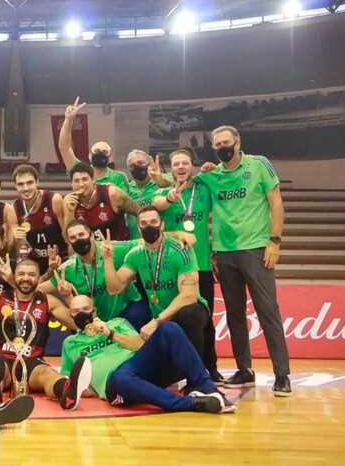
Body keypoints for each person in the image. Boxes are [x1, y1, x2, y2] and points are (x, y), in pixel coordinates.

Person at [193, 125, 291, 396]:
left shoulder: (259, 164)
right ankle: (245, 370)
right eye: (217, 145)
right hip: (224, 254)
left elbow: (276, 202)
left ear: (237, 142)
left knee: (267, 311)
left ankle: (282, 374)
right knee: (235, 315)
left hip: (256, 249)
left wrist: (275, 241)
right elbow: (181, 182)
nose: (222, 147)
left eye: (226, 142)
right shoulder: (212, 175)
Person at [61, 296, 236, 414]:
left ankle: (210, 390)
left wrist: (110, 333)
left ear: (95, 311)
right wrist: (84, 388)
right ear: (70, 315)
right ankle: (193, 404)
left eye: (86, 308)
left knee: (169, 328)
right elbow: (68, 378)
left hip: (139, 364)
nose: (82, 314)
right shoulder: (69, 343)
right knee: (122, 378)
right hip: (114, 382)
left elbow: (139, 344)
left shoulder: (116, 323)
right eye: (76, 311)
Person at [0, 259, 89, 410]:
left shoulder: (48, 301)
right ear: (14, 277)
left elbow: (78, 324)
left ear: (39, 278)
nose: (26, 278)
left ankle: (67, 392)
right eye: (21, 274)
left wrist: (67, 297)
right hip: (4, 359)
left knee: (48, 373)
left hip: (33, 361)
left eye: (31, 275)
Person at [103, 207, 210, 368]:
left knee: (189, 313)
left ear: (162, 225)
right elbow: (114, 288)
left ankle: (197, 376)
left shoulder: (180, 249)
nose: (149, 227)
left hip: (186, 310)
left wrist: (156, 322)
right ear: (138, 228)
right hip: (159, 314)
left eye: (153, 222)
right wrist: (108, 260)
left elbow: (189, 296)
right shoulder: (135, 254)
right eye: (144, 224)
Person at [152, 148, 223, 383]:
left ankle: (210, 368)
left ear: (192, 165)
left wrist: (213, 168)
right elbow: (157, 204)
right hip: (173, 267)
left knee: (205, 321)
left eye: (185, 163)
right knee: (178, 319)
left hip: (200, 265)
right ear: (170, 170)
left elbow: (221, 179)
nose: (180, 167)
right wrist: (171, 197)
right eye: (176, 164)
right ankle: (179, 369)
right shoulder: (162, 191)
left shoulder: (203, 187)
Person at [37, 219, 150, 330]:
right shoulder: (68, 268)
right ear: (69, 242)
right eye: (73, 238)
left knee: (138, 313)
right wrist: (49, 271)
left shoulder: (112, 248)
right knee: (80, 324)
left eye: (81, 234)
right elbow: (38, 290)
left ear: (91, 235)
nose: (78, 240)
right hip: (96, 318)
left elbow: (146, 243)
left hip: (127, 308)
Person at [58, 97, 129, 191]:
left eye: (104, 152)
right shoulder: (79, 169)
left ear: (110, 158)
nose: (100, 154)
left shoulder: (119, 177)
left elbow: (123, 202)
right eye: (97, 151)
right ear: (89, 155)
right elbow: (64, 148)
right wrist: (68, 120)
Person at [8, 164, 67, 275]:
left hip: (61, 260)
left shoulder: (54, 200)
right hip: (35, 264)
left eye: (29, 183)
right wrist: (14, 241)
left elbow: (67, 236)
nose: (25, 188)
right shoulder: (13, 210)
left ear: (37, 182)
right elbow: (15, 250)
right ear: (15, 186)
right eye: (21, 184)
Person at [63, 162, 139, 241]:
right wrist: (70, 212)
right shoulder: (69, 201)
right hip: (90, 250)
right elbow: (67, 239)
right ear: (71, 183)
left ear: (93, 180)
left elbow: (139, 212)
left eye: (85, 179)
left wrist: (139, 239)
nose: (81, 184)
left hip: (117, 248)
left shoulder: (112, 193)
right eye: (76, 181)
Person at [125, 149, 169, 239]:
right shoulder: (127, 189)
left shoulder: (162, 180)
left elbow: (174, 183)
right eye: (132, 165)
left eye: (140, 162)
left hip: (161, 241)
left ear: (149, 163)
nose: (136, 166)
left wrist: (160, 179)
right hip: (136, 243)